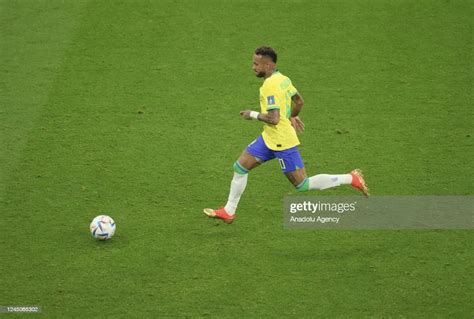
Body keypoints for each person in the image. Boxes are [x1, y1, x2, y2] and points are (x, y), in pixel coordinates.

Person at [204, 46, 369, 224]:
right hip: (269, 138)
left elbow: (273, 119)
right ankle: (229, 211)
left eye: (256, 64)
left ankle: (351, 178)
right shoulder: (283, 79)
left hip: (282, 142)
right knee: (240, 167)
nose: (253, 67)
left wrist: (251, 114)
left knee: (302, 184)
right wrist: (292, 115)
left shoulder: (270, 86)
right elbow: (299, 101)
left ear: (267, 65)